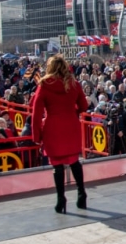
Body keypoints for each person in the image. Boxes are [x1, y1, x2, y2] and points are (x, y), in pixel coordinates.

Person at [31, 54, 89, 213]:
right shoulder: (74, 83)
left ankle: (60, 198)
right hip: (71, 125)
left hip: (53, 127)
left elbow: (36, 113)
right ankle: (81, 193)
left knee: (57, 165)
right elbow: (84, 106)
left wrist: (36, 135)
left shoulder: (44, 85)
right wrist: (73, 112)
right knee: (74, 161)